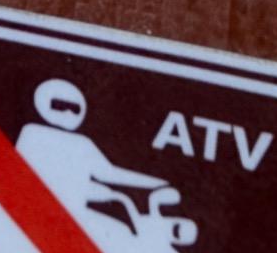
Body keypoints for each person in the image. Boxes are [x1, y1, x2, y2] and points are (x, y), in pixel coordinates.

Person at [14, 78, 169, 239]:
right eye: (60, 106)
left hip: (73, 216)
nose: (67, 113)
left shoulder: (82, 143)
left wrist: (154, 183)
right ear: (44, 103)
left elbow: (107, 173)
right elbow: (20, 173)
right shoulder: (33, 133)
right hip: (34, 214)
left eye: (74, 109)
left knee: (120, 232)